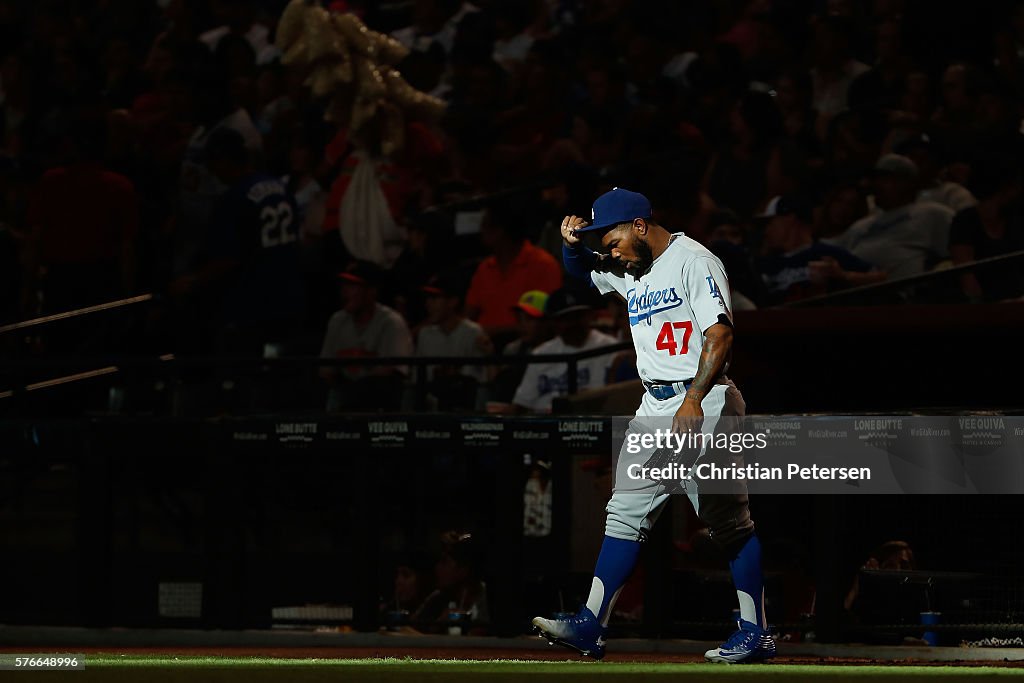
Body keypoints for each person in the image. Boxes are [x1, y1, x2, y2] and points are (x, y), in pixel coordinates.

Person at [531, 188, 775, 663]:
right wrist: (571, 244)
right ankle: (589, 624)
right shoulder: (631, 267)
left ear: (640, 225)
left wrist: (694, 401)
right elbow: (583, 271)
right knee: (624, 512)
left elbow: (720, 332)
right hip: (654, 404)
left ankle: (755, 631)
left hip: (702, 400)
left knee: (728, 523)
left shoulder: (694, 260)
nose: (610, 248)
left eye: (614, 237)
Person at [171, 127, 305, 353]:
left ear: (224, 160)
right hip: (290, 294)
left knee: (244, 373)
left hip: (254, 302)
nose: (211, 170)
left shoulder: (234, 198)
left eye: (213, 162)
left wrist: (192, 281)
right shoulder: (279, 187)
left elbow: (227, 259)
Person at [833, 155, 954, 279]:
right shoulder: (861, 225)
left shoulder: (931, 213)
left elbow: (962, 252)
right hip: (850, 290)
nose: (877, 185)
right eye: (876, 179)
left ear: (909, 183)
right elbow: (832, 254)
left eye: (886, 179)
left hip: (902, 293)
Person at [319, 260, 414, 411]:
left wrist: (352, 390)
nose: (345, 291)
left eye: (352, 285)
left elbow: (389, 374)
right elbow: (326, 371)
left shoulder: (391, 322)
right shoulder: (337, 321)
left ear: (372, 291)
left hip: (382, 408)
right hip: (345, 400)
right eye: (344, 285)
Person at [756, 194, 884, 305]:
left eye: (771, 222)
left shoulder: (825, 253)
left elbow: (880, 278)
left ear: (789, 219)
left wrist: (843, 275)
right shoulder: (765, 263)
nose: (767, 230)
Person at [465, 201, 563, 342]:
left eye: (485, 225)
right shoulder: (485, 268)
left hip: (524, 347)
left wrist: (493, 332)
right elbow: (469, 315)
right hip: (481, 346)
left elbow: (545, 323)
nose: (481, 231)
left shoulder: (543, 265)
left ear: (501, 231)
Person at [511, 287, 617, 414]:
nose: (572, 324)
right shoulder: (541, 353)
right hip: (544, 423)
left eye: (577, 316)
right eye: (565, 318)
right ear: (554, 322)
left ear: (589, 315)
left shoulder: (609, 347)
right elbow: (522, 403)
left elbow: (603, 400)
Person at [948, 157, 1024, 302]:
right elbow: (967, 277)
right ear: (1006, 187)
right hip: (987, 308)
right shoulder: (966, 220)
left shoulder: (1017, 219)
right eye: (1017, 185)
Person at [415, 273, 493, 408]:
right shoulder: (425, 334)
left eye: (434, 298)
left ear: (453, 302)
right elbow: (419, 381)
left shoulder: (473, 332)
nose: (428, 304)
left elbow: (479, 382)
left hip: (465, 407)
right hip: (432, 407)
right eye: (427, 298)